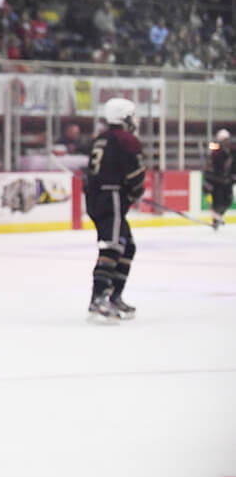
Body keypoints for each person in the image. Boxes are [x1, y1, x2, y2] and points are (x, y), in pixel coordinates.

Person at [85, 98, 145, 322]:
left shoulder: (100, 139)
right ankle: (99, 298)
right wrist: (133, 191)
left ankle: (114, 296)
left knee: (127, 246)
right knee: (113, 246)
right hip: (111, 196)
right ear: (125, 117)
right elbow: (135, 175)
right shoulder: (127, 140)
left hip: (98, 196)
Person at [204, 129, 233, 230]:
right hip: (216, 182)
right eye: (224, 140)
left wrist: (232, 176)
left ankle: (218, 216)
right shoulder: (215, 151)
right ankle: (216, 218)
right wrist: (208, 181)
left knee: (228, 200)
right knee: (218, 201)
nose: (227, 142)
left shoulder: (231, 151)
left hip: (227, 181)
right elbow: (210, 167)